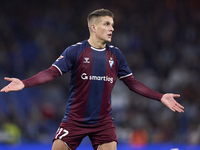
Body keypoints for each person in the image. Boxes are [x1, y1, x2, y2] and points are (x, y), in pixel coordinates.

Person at [0, 8, 184, 150]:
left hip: (103, 122)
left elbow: (132, 83)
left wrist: (160, 96)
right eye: (106, 24)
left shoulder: (116, 54)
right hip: (74, 120)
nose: (111, 28)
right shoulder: (75, 51)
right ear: (93, 27)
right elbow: (51, 72)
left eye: (112, 24)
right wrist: (24, 83)